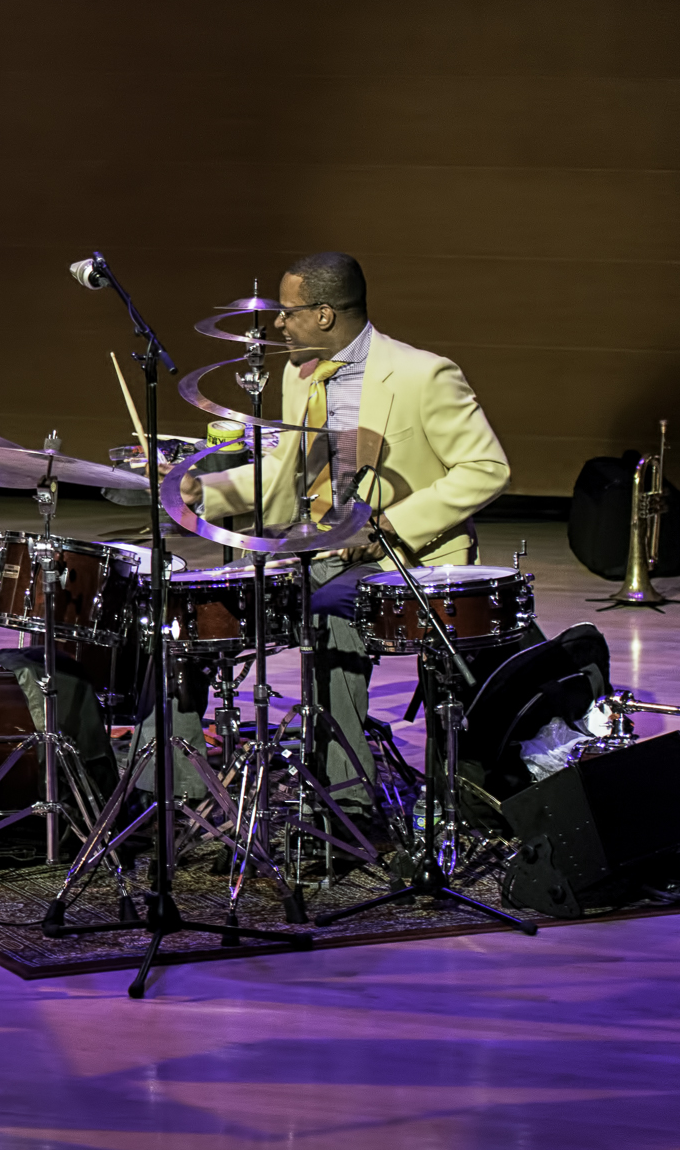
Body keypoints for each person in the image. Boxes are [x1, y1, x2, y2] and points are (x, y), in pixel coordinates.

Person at [183, 251, 510, 816]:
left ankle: (345, 804)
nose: (277, 325)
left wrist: (387, 526)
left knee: (329, 614)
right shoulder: (298, 373)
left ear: (326, 314)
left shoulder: (422, 374)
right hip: (321, 546)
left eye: (288, 313)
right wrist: (202, 493)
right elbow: (289, 473)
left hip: (405, 556)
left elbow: (487, 470)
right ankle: (173, 795)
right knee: (192, 613)